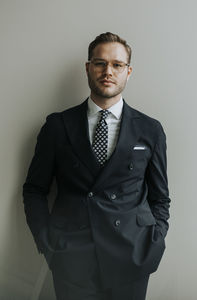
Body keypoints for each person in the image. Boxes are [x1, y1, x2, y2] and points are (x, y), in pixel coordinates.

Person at [23, 32, 170, 300]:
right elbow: (34, 189)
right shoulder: (58, 125)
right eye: (100, 63)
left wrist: (155, 240)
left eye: (117, 64)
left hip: (132, 255)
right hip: (72, 256)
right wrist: (47, 241)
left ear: (129, 71)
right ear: (88, 67)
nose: (108, 71)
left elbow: (160, 197)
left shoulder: (150, 130)